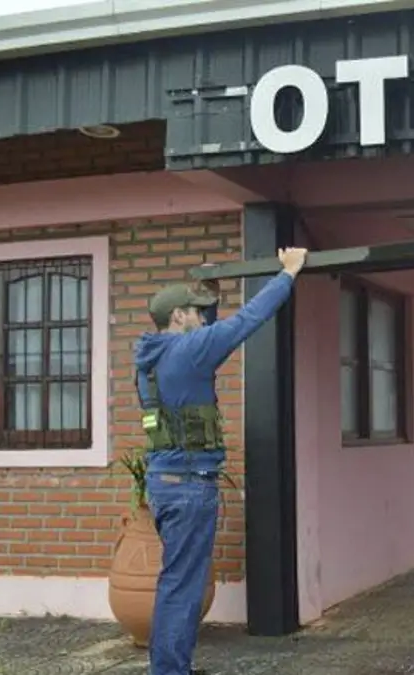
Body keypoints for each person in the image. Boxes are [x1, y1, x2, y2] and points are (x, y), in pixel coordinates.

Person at [135, 247, 308, 675]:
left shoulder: (152, 359)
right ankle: (169, 671)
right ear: (178, 316)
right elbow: (247, 320)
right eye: (195, 311)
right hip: (189, 486)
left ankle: (170, 667)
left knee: (176, 582)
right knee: (182, 587)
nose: (201, 317)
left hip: (165, 483)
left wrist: (208, 295)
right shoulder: (190, 351)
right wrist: (288, 274)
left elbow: (207, 335)